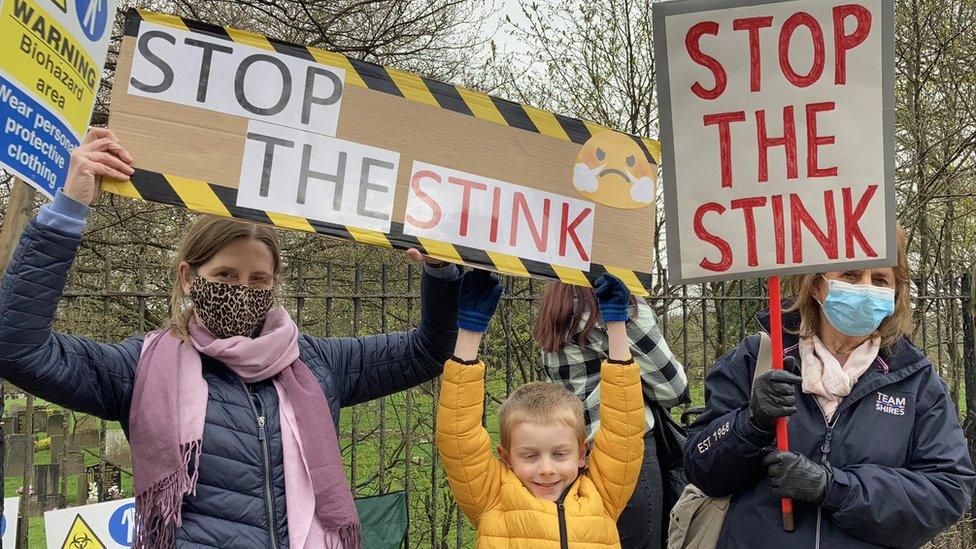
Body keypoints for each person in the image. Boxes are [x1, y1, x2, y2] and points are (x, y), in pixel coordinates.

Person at [0, 128, 462, 548]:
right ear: (188, 277)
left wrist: (441, 275)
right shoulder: (139, 367)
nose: (241, 290)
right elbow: (17, 347)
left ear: (274, 284)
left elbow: (427, 351)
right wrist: (66, 213)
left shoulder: (316, 362)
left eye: (258, 279)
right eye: (224, 274)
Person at [684, 228, 976, 548]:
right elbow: (700, 467)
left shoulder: (916, 381)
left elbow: (948, 492)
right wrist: (750, 423)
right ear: (816, 284)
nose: (865, 289)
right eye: (850, 275)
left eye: (880, 280)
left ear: (896, 293)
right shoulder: (759, 358)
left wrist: (835, 489)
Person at [436, 270, 645, 547]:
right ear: (507, 457)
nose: (546, 469)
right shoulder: (492, 497)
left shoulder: (602, 494)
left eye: (560, 454)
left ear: (582, 453)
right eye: (530, 456)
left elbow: (624, 430)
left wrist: (617, 325)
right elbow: (457, 437)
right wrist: (470, 332)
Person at [534, 282, 688, 548]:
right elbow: (674, 388)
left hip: (573, 460)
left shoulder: (555, 305)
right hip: (627, 455)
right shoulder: (611, 305)